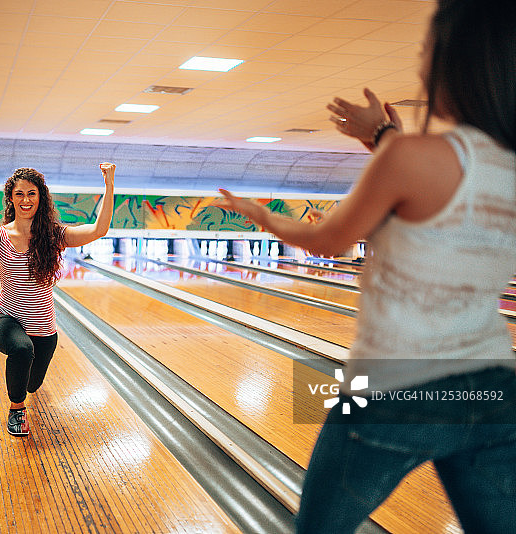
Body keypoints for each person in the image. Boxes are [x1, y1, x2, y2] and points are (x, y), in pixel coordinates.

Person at [216, 1, 516, 532]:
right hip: (494, 391)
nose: (421, 55)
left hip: (394, 389)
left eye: (427, 45)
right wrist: (382, 138)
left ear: (455, 56)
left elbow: (327, 241)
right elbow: (440, 182)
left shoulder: (414, 157)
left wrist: (260, 214)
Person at [0, 160, 116, 436]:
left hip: (43, 328)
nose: (26, 199)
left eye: (31, 193)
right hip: (3, 316)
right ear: (11, 198)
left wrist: (109, 184)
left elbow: (98, 230)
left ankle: (22, 389)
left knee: (32, 384)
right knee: (21, 350)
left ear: (40, 197)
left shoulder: (54, 236)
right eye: (20, 193)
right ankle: (16, 411)